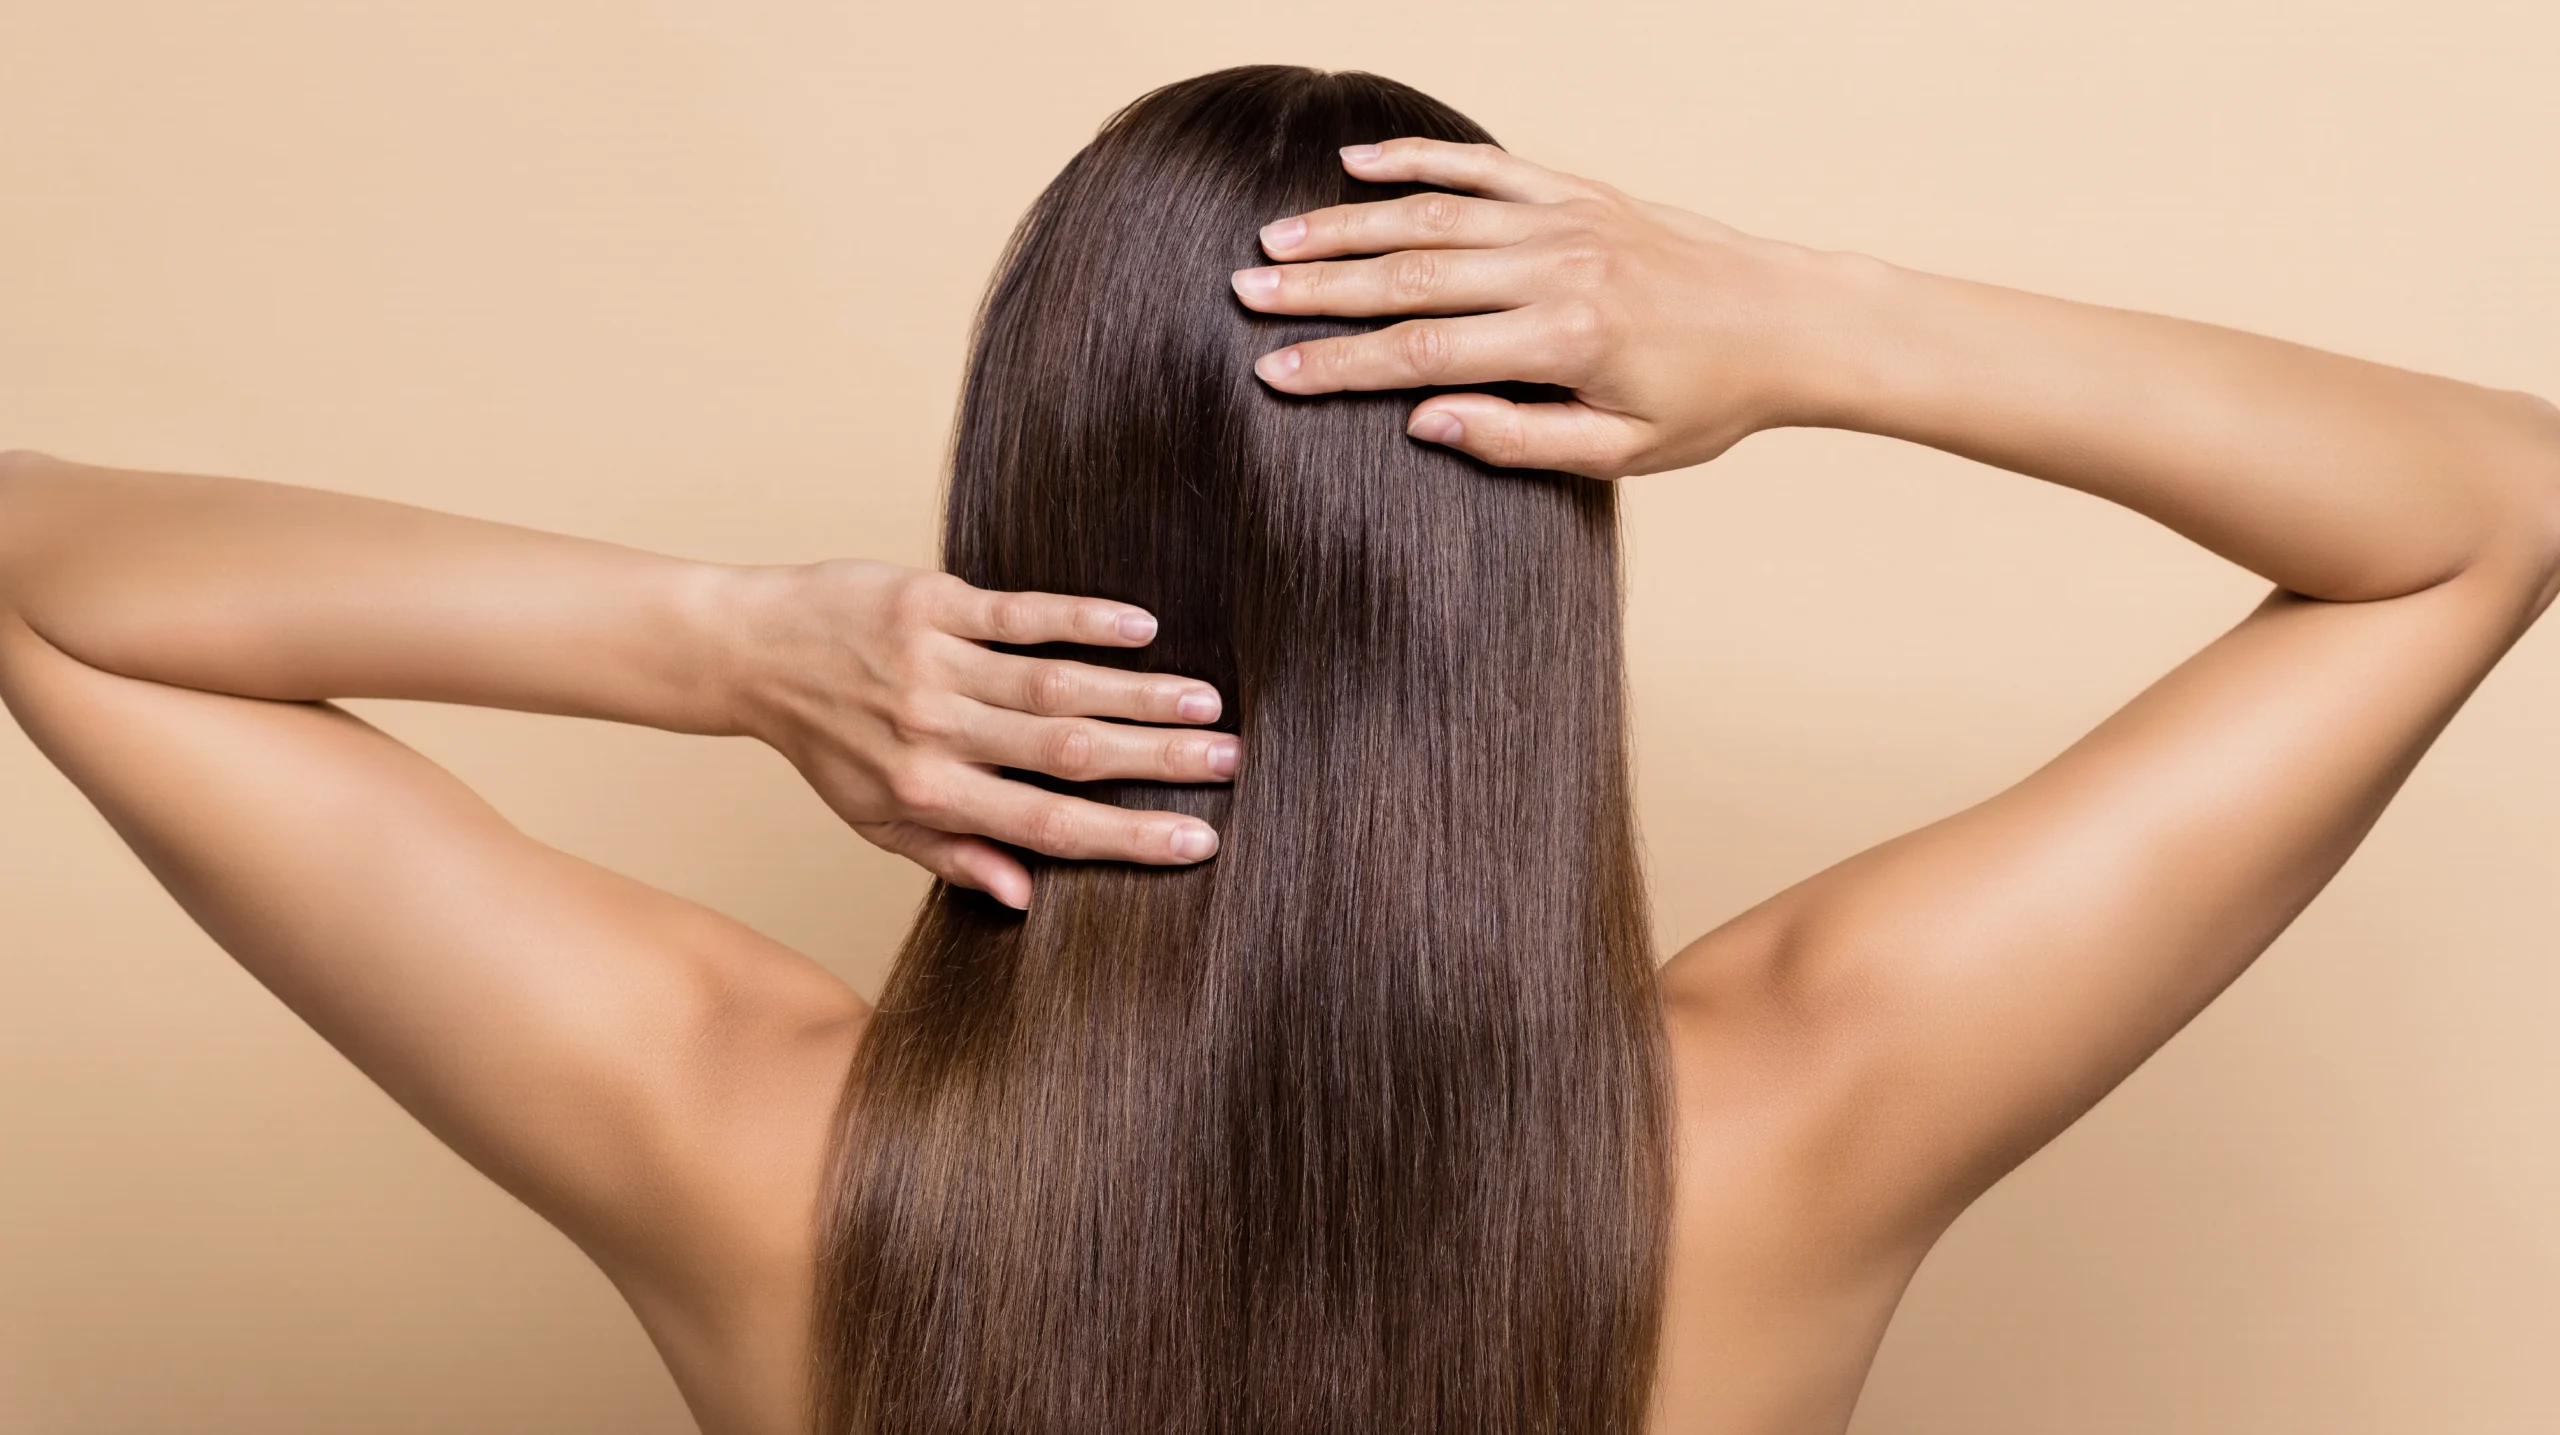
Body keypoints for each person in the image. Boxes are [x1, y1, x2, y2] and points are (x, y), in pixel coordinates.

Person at [2, 62, 2555, 1435]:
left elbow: (44, 574)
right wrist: (1810, 327)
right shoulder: (1810, 1095)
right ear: (1532, 567)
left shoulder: (737, 1132)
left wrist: (722, 645)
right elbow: (2479, 511)